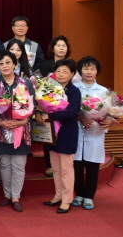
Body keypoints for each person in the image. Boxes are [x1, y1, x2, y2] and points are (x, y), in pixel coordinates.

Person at [0, 50, 35, 212]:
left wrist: (24, 120)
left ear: (15, 64)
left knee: (18, 165)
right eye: (1, 63)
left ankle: (16, 197)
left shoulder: (25, 83)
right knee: (4, 164)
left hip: (21, 130)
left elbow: (33, 106)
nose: (5, 66)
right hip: (1, 130)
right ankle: (7, 195)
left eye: (8, 62)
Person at [37, 59, 81, 214]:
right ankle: (58, 195)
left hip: (67, 132)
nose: (61, 74)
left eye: (65, 71)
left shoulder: (73, 91)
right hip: (52, 132)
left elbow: (72, 112)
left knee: (66, 169)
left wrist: (50, 115)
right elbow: (41, 104)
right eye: (58, 71)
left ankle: (67, 199)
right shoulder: (49, 88)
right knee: (55, 168)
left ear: (72, 74)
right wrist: (40, 111)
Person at [73, 56, 117, 210]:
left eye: (92, 69)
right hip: (77, 131)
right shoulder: (74, 88)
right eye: (86, 68)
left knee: (92, 167)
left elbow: (111, 112)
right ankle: (79, 194)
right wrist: (80, 117)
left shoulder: (104, 91)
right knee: (77, 166)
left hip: (95, 132)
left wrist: (110, 120)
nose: (89, 72)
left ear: (97, 71)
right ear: (80, 71)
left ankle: (89, 197)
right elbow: (68, 108)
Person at [39, 35, 72, 177]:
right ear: (53, 48)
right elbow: (40, 84)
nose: (61, 48)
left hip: (65, 103)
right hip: (48, 103)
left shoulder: (71, 64)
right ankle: (49, 165)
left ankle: (64, 163)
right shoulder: (45, 65)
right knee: (48, 134)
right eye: (58, 45)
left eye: (64, 46)